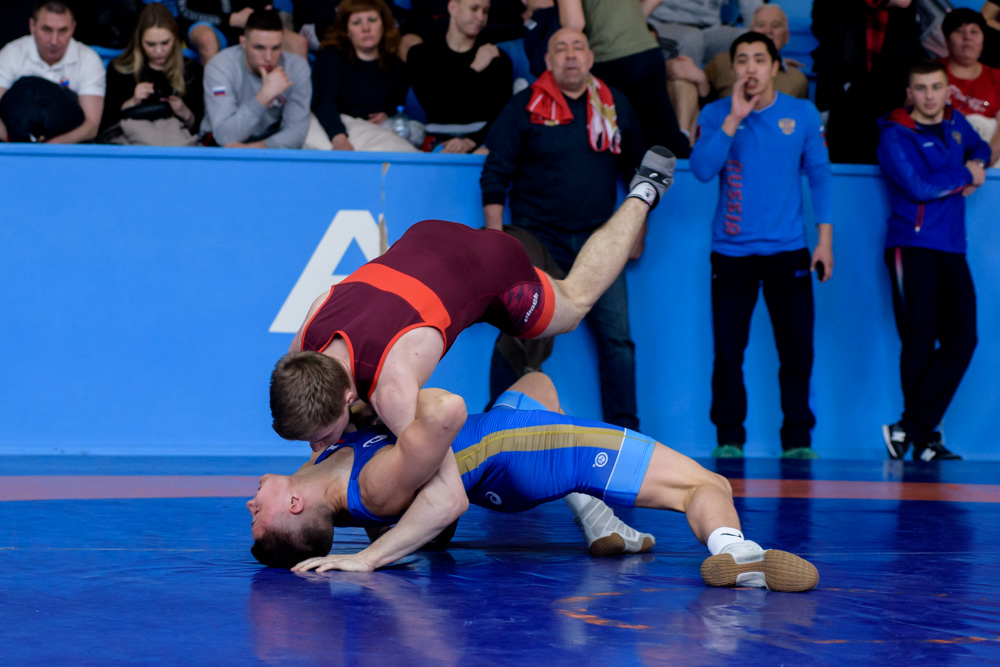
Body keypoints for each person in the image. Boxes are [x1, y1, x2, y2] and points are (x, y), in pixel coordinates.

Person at [269, 149, 674, 552]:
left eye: (321, 437)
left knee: (574, 302)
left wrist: (367, 559)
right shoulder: (302, 346)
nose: (319, 448)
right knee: (371, 431)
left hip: (487, 264)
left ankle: (644, 191)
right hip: (422, 239)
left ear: (347, 397)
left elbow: (449, 499)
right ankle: (593, 512)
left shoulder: (391, 387)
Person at [251, 372, 819, 593]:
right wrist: (367, 559)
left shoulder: (321, 461)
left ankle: (598, 518)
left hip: (504, 460)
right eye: (258, 512)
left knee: (537, 381)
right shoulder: (370, 489)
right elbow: (443, 416)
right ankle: (737, 553)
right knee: (704, 484)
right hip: (522, 449)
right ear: (295, 504)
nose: (250, 500)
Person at [480, 27, 646, 429]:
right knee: (522, 330)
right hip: (537, 237)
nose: (570, 55)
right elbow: (495, 173)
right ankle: (493, 427)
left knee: (618, 340)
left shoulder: (614, 105)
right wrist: (495, 240)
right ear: (548, 61)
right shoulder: (524, 105)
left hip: (600, 240)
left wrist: (636, 232)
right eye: (561, 49)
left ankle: (625, 435)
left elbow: (639, 171)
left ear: (590, 57)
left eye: (578, 47)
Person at [689, 32, 833, 460]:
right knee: (728, 351)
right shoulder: (716, 113)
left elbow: (820, 176)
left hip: (789, 252)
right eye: (742, 60)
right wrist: (734, 118)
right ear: (733, 68)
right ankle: (729, 437)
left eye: (758, 59)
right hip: (732, 254)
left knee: (797, 351)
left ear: (774, 67)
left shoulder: (802, 113)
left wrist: (824, 241)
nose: (750, 68)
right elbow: (702, 169)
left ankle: (798, 440)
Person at [877, 60, 990, 462]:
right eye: (921, 88)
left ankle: (910, 429)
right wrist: (966, 174)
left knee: (963, 340)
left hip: (952, 248)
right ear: (910, 93)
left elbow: (981, 149)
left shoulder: (956, 123)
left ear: (947, 90)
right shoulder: (894, 134)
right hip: (912, 245)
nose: (929, 96)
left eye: (936, 87)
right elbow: (920, 187)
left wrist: (977, 164)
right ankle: (923, 439)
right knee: (919, 342)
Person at [556, 0, 690, 157]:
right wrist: (632, 23)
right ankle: (691, 168)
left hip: (610, 55)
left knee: (622, 145)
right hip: (647, 50)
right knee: (664, 139)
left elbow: (574, 23)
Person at [666, 4, 807, 142]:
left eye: (776, 26)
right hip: (723, 137)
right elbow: (702, 104)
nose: (768, 31)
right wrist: (701, 79)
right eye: (761, 25)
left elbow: (801, 126)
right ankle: (682, 143)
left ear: (787, 36)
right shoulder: (721, 63)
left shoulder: (797, 79)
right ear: (750, 30)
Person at [811, 0, 924, 164]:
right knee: (844, 166)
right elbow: (823, 20)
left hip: (891, 98)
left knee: (892, 165)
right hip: (845, 98)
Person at [307, 0, 417, 152]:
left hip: (377, 133)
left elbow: (397, 107)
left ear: (384, 25)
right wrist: (339, 138)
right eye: (357, 23)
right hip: (335, 130)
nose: (366, 28)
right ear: (346, 30)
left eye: (372, 20)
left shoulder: (396, 65)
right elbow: (324, 105)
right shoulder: (330, 57)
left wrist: (386, 116)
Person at [406, 0, 513, 152]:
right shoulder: (421, 54)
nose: (481, 17)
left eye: (485, 11)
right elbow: (437, 106)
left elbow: (503, 114)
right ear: (453, 8)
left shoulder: (496, 57)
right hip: (438, 141)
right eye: (474, 8)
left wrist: (472, 141)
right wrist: (475, 68)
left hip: (483, 143)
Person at [201, 9, 311, 148]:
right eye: (259, 48)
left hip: (270, 151)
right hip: (219, 149)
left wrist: (254, 149)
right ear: (243, 43)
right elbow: (225, 136)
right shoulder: (220, 66)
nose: (268, 57)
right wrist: (264, 96)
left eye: (276, 48)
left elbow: (296, 132)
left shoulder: (296, 67)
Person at [0, 0, 105, 144]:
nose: (54, 41)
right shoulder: (11, 53)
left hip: (66, 150)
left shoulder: (89, 59)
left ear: (73, 28)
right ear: (32, 26)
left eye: (62, 30)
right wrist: (17, 147)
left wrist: (47, 149)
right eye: (47, 29)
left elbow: (91, 126)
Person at [100, 3, 204, 145]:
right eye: (151, 44)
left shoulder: (191, 71)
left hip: (175, 137)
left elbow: (203, 129)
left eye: (165, 43)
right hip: (131, 138)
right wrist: (132, 102)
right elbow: (103, 126)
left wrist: (185, 112)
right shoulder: (120, 70)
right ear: (139, 41)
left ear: (175, 38)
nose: (158, 51)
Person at [941, 8, 1000, 168]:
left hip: (990, 162)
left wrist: (984, 161)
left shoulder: (997, 77)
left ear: (983, 39)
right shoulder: (931, 72)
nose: (967, 37)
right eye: (959, 31)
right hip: (943, 159)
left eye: (974, 32)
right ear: (946, 39)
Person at [177, 0, 308, 65]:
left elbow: (266, 6)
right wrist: (230, 19)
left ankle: (294, 105)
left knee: (298, 43)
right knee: (206, 39)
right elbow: (185, 10)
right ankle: (217, 103)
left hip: (251, 22)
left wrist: (261, 15)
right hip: (209, 24)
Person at [647, 0, 762, 66]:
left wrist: (760, 34)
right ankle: (689, 99)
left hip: (709, 30)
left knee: (751, 42)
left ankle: (738, 100)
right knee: (692, 39)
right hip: (662, 24)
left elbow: (753, 8)